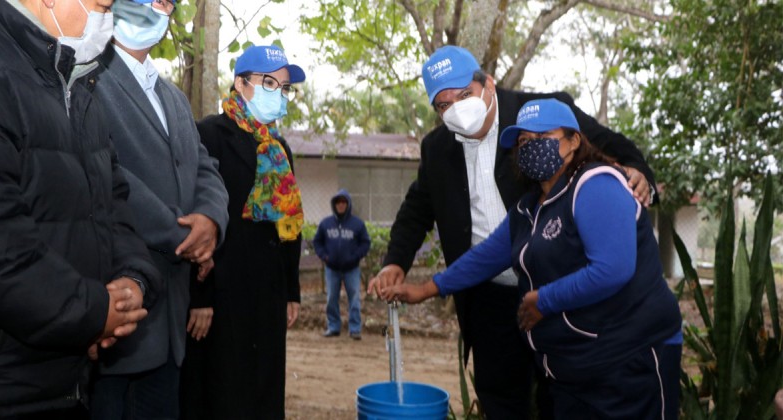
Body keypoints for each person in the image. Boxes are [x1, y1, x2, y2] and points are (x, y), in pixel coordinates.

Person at [367, 45, 658, 419]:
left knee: (565, 393)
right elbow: (416, 209)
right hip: (488, 294)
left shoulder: (539, 115)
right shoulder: (437, 148)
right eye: (443, 105)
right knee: (502, 400)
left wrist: (638, 170)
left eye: (464, 95)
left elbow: (607, 142)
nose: (456, 108)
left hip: (557, 288)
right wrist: (396, 261)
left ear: (487, 84)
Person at [0, 0, 161, 417]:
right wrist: (97, 312)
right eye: (102, 4)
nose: (108, 18)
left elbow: (116, 208)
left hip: (69, 382)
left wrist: (133, 284)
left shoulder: (78, 83)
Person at [87, 0, 230, 418]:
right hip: (118, 310)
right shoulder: (89, 77)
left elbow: (205, 167)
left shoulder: (172, 96)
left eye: (168, 1)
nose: (160, 7)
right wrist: (184, 236)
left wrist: (211, 221)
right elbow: (109, 175)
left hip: (170, 322)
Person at [190, 44, 305, 419]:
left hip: (268, 293)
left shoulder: (277, 147)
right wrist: (200, 295)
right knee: (223, 393)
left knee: (265, 392)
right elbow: (195, 219)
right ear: (241, 83)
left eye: (284, 87)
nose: (279, 93)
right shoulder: (209, 134)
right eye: (269, 82)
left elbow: (288, 227)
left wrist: (291, 291)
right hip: (223, 293)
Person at [314, 189, 372, 340]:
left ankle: (355, 329)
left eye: (343, 202)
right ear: (334, 204)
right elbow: (317, 242)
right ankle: (333, 327)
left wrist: (356, 257)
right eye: (338, 202)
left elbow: (365, 243)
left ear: (348, 204)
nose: (341, 205)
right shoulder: (325, 224)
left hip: (351, 269)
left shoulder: (357, 224)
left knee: (354, 298)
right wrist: (325, 257)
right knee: (332, 298)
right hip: (332, 269)